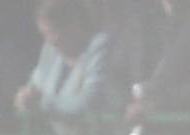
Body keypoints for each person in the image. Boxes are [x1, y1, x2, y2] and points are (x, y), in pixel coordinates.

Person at [13, 0, 118, 128]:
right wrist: (25, 97)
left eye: (53, 32)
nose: (50, 41)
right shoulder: (50, 50)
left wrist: (42, 104)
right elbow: (35, 85)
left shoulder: (100, 47)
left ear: (75, 25)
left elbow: (90, 102)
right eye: (45, 34)